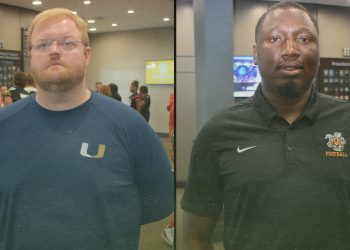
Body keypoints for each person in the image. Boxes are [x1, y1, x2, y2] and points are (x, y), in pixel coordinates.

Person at [181, 2, 350, 249]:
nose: (290, 49)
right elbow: (195, 236)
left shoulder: (345, 120)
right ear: (254, 53)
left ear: (318, 51)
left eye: (304, 39)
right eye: (274, 38)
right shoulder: (218, 131)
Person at [0, 8, 173, 249]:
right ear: (31, 55)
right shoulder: (3, 125)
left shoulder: (131, 126)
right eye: (42, 45)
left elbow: (153, 206)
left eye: (67, 43)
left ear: (87, 54)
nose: (54, 50)